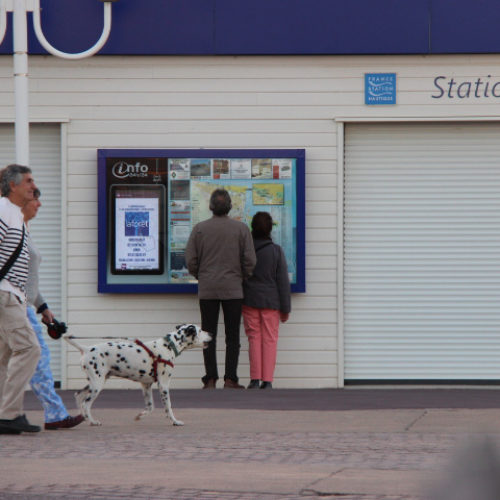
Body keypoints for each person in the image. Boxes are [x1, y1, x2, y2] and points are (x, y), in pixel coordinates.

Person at [23, 189, 84, 430]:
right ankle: (54, 413)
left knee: (21, 362)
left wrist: (43, 306)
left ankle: (53, 413)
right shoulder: (10, 230)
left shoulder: (24, 231)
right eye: (34, 199)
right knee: (38, 358)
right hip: (15, 306)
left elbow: (26, 278)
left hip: (24, 305)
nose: (39, 204)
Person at [185, 189, 256, 389]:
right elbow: (250, 260)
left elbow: (190, 259)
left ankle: (210, 378)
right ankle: (231, 378)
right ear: (230, 207)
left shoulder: (199, 229)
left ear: (210, 207)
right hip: (233, 289)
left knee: (207, 334)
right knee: (232, 336)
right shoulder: (241, 229)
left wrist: (202, 275)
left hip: (208, 289)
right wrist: (241, 276)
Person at [0, 164, 41, 434]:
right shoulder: (3, 211)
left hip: (11, 294)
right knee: (29, 349)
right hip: (4, 294)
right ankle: (9, 414)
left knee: (3, 357)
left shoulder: (16, 215)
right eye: (27, 181)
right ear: (12, 185)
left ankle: (4, 414)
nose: (32, 185)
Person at [242, 212, 291, 389]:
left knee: (254, 337)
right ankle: (268, 381)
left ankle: (255, 379)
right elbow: (283, 282)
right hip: (271, 302)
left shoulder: (246, 250)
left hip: (249, 300)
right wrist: (286, 308)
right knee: (270, 339)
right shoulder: (276, 250)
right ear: (270, 229)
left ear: (252, 228)